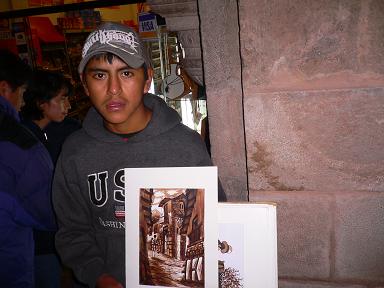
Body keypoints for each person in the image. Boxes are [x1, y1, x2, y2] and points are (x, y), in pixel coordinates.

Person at [52, 22, 226, 288]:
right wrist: (99, 276)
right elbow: (72, 231)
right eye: (99, 75)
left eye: (126, 73)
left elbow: (217, 219)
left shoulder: (185, 146)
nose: (113, 89)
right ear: (84, 85)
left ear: (147, 80)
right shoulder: (75, 152)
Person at [0, 49, 57, 287]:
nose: (22, 103)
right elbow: (47, 211)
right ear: (5, 89)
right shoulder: (18, 143)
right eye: (21, 92)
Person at [20, 70, 81, 288]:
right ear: (41, 103)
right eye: (61, 99)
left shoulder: (67, 131)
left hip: (62, 227)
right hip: (38, 235)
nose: (68, 106)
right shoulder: (22, 139)